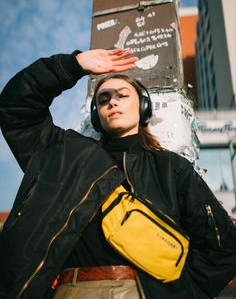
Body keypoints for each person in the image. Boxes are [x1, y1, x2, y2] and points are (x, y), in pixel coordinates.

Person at [0, 48, 236, 299]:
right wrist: (73, 65)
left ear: (143, 107)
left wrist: (181, 292)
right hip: (72, 290)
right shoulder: (66, 156)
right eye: (103, 99)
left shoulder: (170, 167)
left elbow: (224, 247)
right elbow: (16, 107)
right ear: (96, 114)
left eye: (122, 95)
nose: (112, 101)